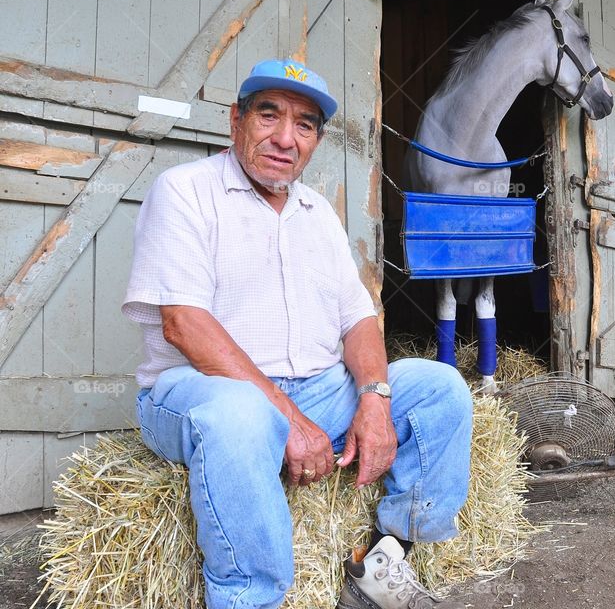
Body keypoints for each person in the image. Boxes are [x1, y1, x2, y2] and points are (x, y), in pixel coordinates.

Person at [123, 59, 473, 609]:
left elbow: (359, 319)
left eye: (305, 125)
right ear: (235, 120)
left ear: (316, 140)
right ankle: (249, 598)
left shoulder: (316, 213)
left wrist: (376, 399)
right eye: (269, 114)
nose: (285, 138)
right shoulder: (185, 191)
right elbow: (184, 324)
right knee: (240, 416)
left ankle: (385, 558)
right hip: (198, 391)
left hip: (317, 390)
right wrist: (288, 417)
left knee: (439, 386)